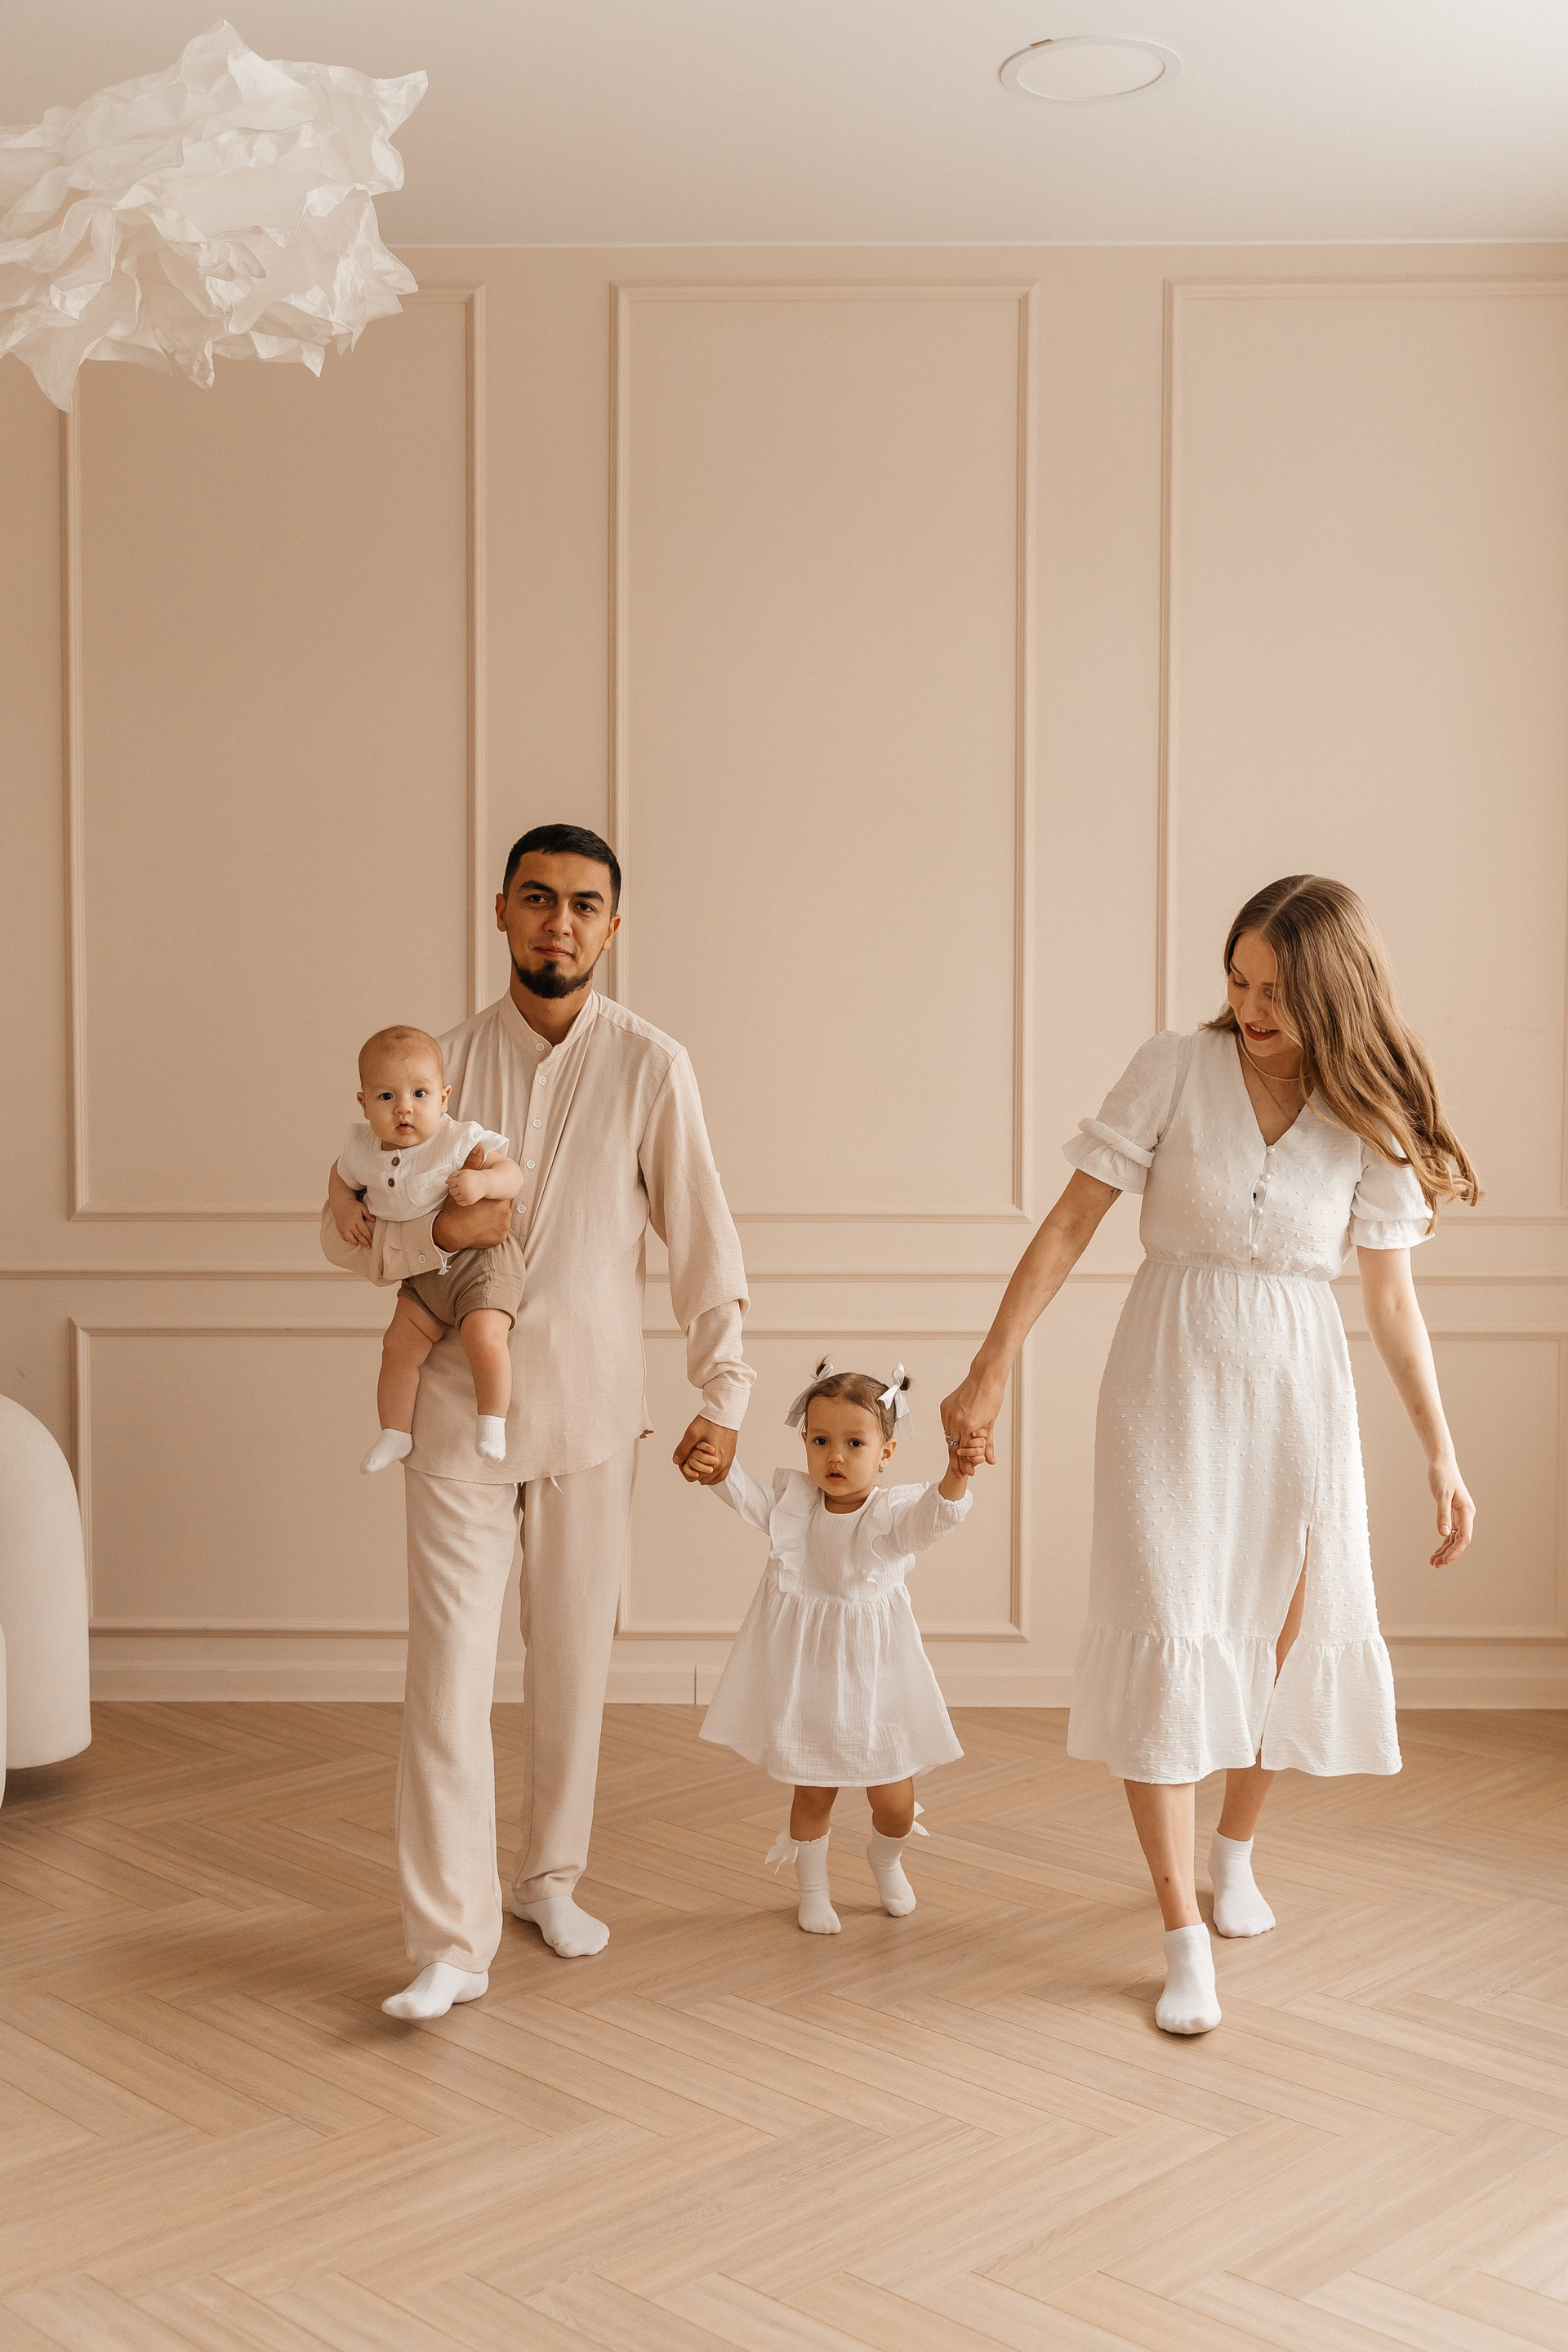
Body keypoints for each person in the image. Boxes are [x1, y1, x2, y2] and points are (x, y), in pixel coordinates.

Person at [942, 875, 1478, 2037]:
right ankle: (1181, 1932)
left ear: (1333, 993)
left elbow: (1391, 1303)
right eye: (1237, 981)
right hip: (1168, 1378)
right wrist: (991, 1366)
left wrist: (1441, 1453)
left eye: (1275, 990)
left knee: (1281, 1634)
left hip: (1298, 1391)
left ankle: (1234, 1850)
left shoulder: (1367, 1115)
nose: (1249, 1008)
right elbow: (1070, 1224)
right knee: (1169, 1629)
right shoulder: (1175, 1069)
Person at [320, 822, 754, 2020]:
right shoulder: (435, 1067)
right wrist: (427, 1234)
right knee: (448, 1679)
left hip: (595, 1411)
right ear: (501, 911)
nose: (559, 922)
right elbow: (344, 1236)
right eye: (538, 898)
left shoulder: (653, 1064)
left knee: (571, 1666)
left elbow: (702, 1237)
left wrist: (724, 1390)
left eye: (583, 904)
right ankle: (450, 1941)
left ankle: (547, 1880)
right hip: (454, 1414)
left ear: (612, 926)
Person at [687, 1361, 986, 1933]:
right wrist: (715, 1466)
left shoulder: (890, 1516)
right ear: (805, 1442)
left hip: (879, 1680)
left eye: (855, 1443)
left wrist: (956, 1475)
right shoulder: (795, 1507)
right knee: (813, 1792)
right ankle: (813, 1889)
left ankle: (886, 1859)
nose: (836, 1457)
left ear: (886, 1452)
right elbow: (742, 1494)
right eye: (821, 1441)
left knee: (894, 1802)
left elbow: (932, 1520)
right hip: (812, 1676)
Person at [328, 1026, 523, 1472]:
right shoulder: (361, 1148)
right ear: (363, 1103)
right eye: (386, 1097)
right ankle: (395, 1432)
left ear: (443, 1098)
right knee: (397, 1347)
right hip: (423, 1276)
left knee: (484, 1337)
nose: (404, 1108)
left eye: (420, 1094)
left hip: (481, 1264)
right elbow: (339, 1175)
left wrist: (484, 1182)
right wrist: (344, 1206)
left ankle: (492, 1421)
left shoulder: (456, 1140)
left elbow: (511, 1172)